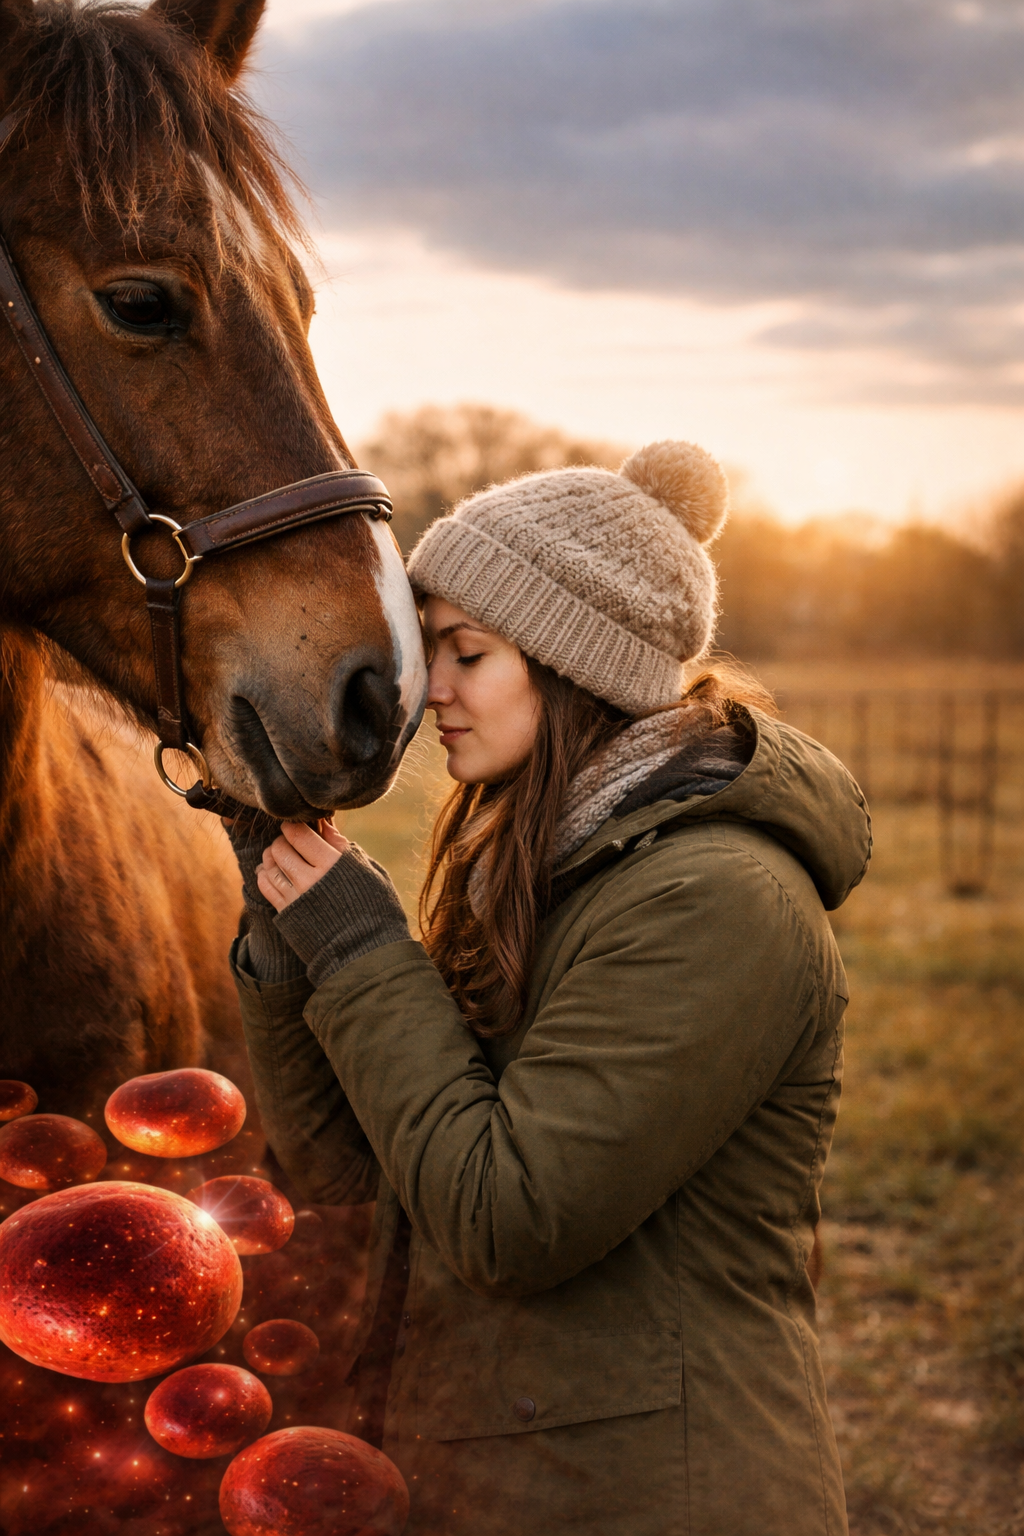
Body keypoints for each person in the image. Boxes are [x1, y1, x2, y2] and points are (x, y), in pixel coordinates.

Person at [226, 440, 870, 1535]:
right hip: (503, 1474)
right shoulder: (533, 872)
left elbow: (504, 1219)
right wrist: (293, 944)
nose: (432, 692)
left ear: (577, 665)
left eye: (466, 653)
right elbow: (367, 1178)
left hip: (656, 1499)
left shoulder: (715, 898)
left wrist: (364, 951)